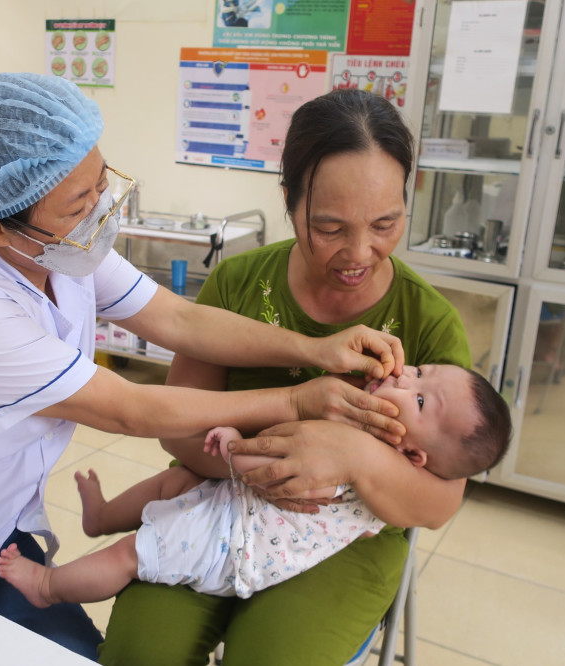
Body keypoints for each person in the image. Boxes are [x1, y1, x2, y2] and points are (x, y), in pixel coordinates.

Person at [0, 74, 413, 660]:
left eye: (100, 183)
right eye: (77, 203)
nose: (100, 210)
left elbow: (180, 319)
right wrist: (298, 400)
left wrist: (314, 349)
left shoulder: (59, 249)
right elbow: (130, 408)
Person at [98, 88, 477, 665]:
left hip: (339, 537)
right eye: (329, 227)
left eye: (385, 223)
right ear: (289, 201)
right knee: (138, 652)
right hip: (213, 504)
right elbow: (178, 433)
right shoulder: (239, 284)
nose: (359, 252)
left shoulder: (429, 322)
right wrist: (263, 461)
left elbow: (439, 502)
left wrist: (353, 459)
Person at [0, 363, 510, 606]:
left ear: (414, 455)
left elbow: (282, 475)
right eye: (419, 371)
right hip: (235, 507)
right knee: (176, 480)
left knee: (131, 555)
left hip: (233, 545)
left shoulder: (366, 479)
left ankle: (48, 589)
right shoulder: (363, 430)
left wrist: (237, 447)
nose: (404, 378)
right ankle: (102, 516)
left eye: (419, 399)